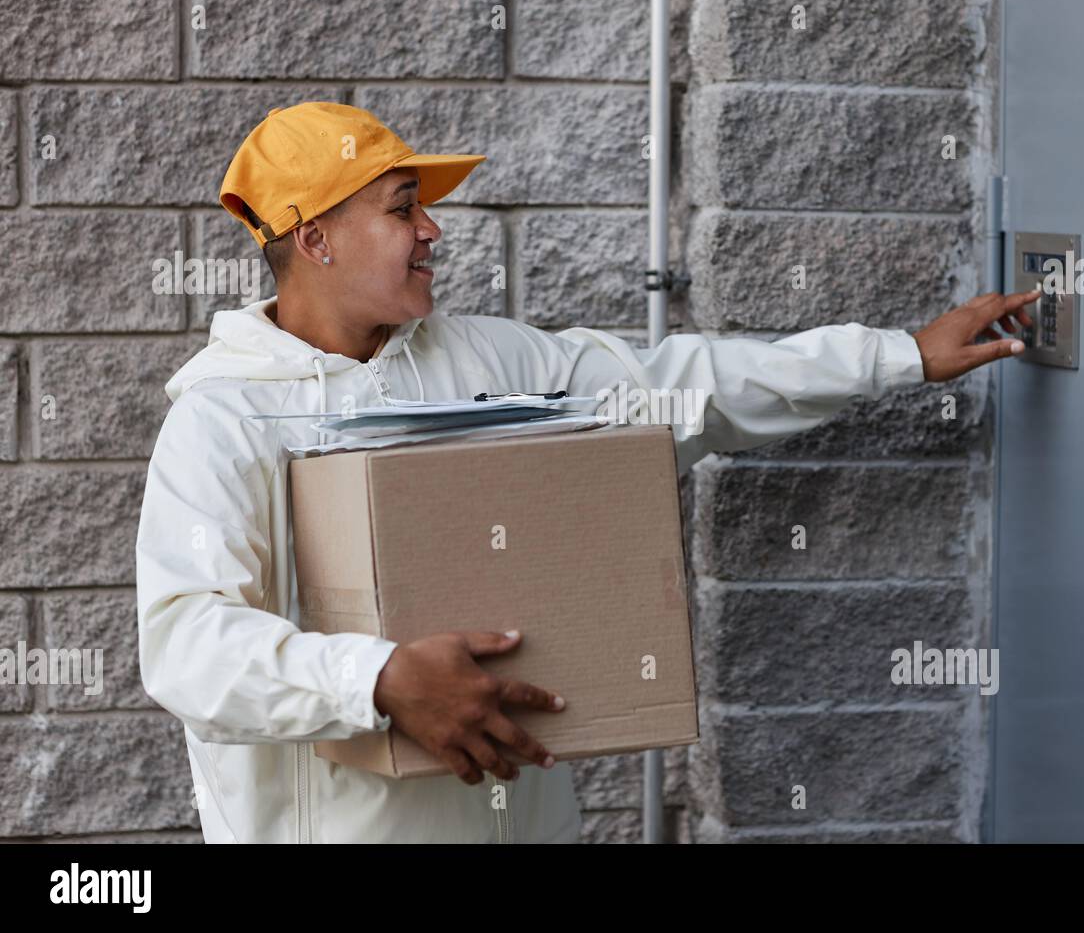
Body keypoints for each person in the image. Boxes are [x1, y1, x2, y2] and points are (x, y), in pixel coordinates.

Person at [134, 102, 1038, 843]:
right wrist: (377, 680)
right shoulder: (225, 419)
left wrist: (897, 356)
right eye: (403, 207)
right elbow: (185, 648)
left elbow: (684, 389)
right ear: (316, 238)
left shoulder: (488, 360)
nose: (432, 229)